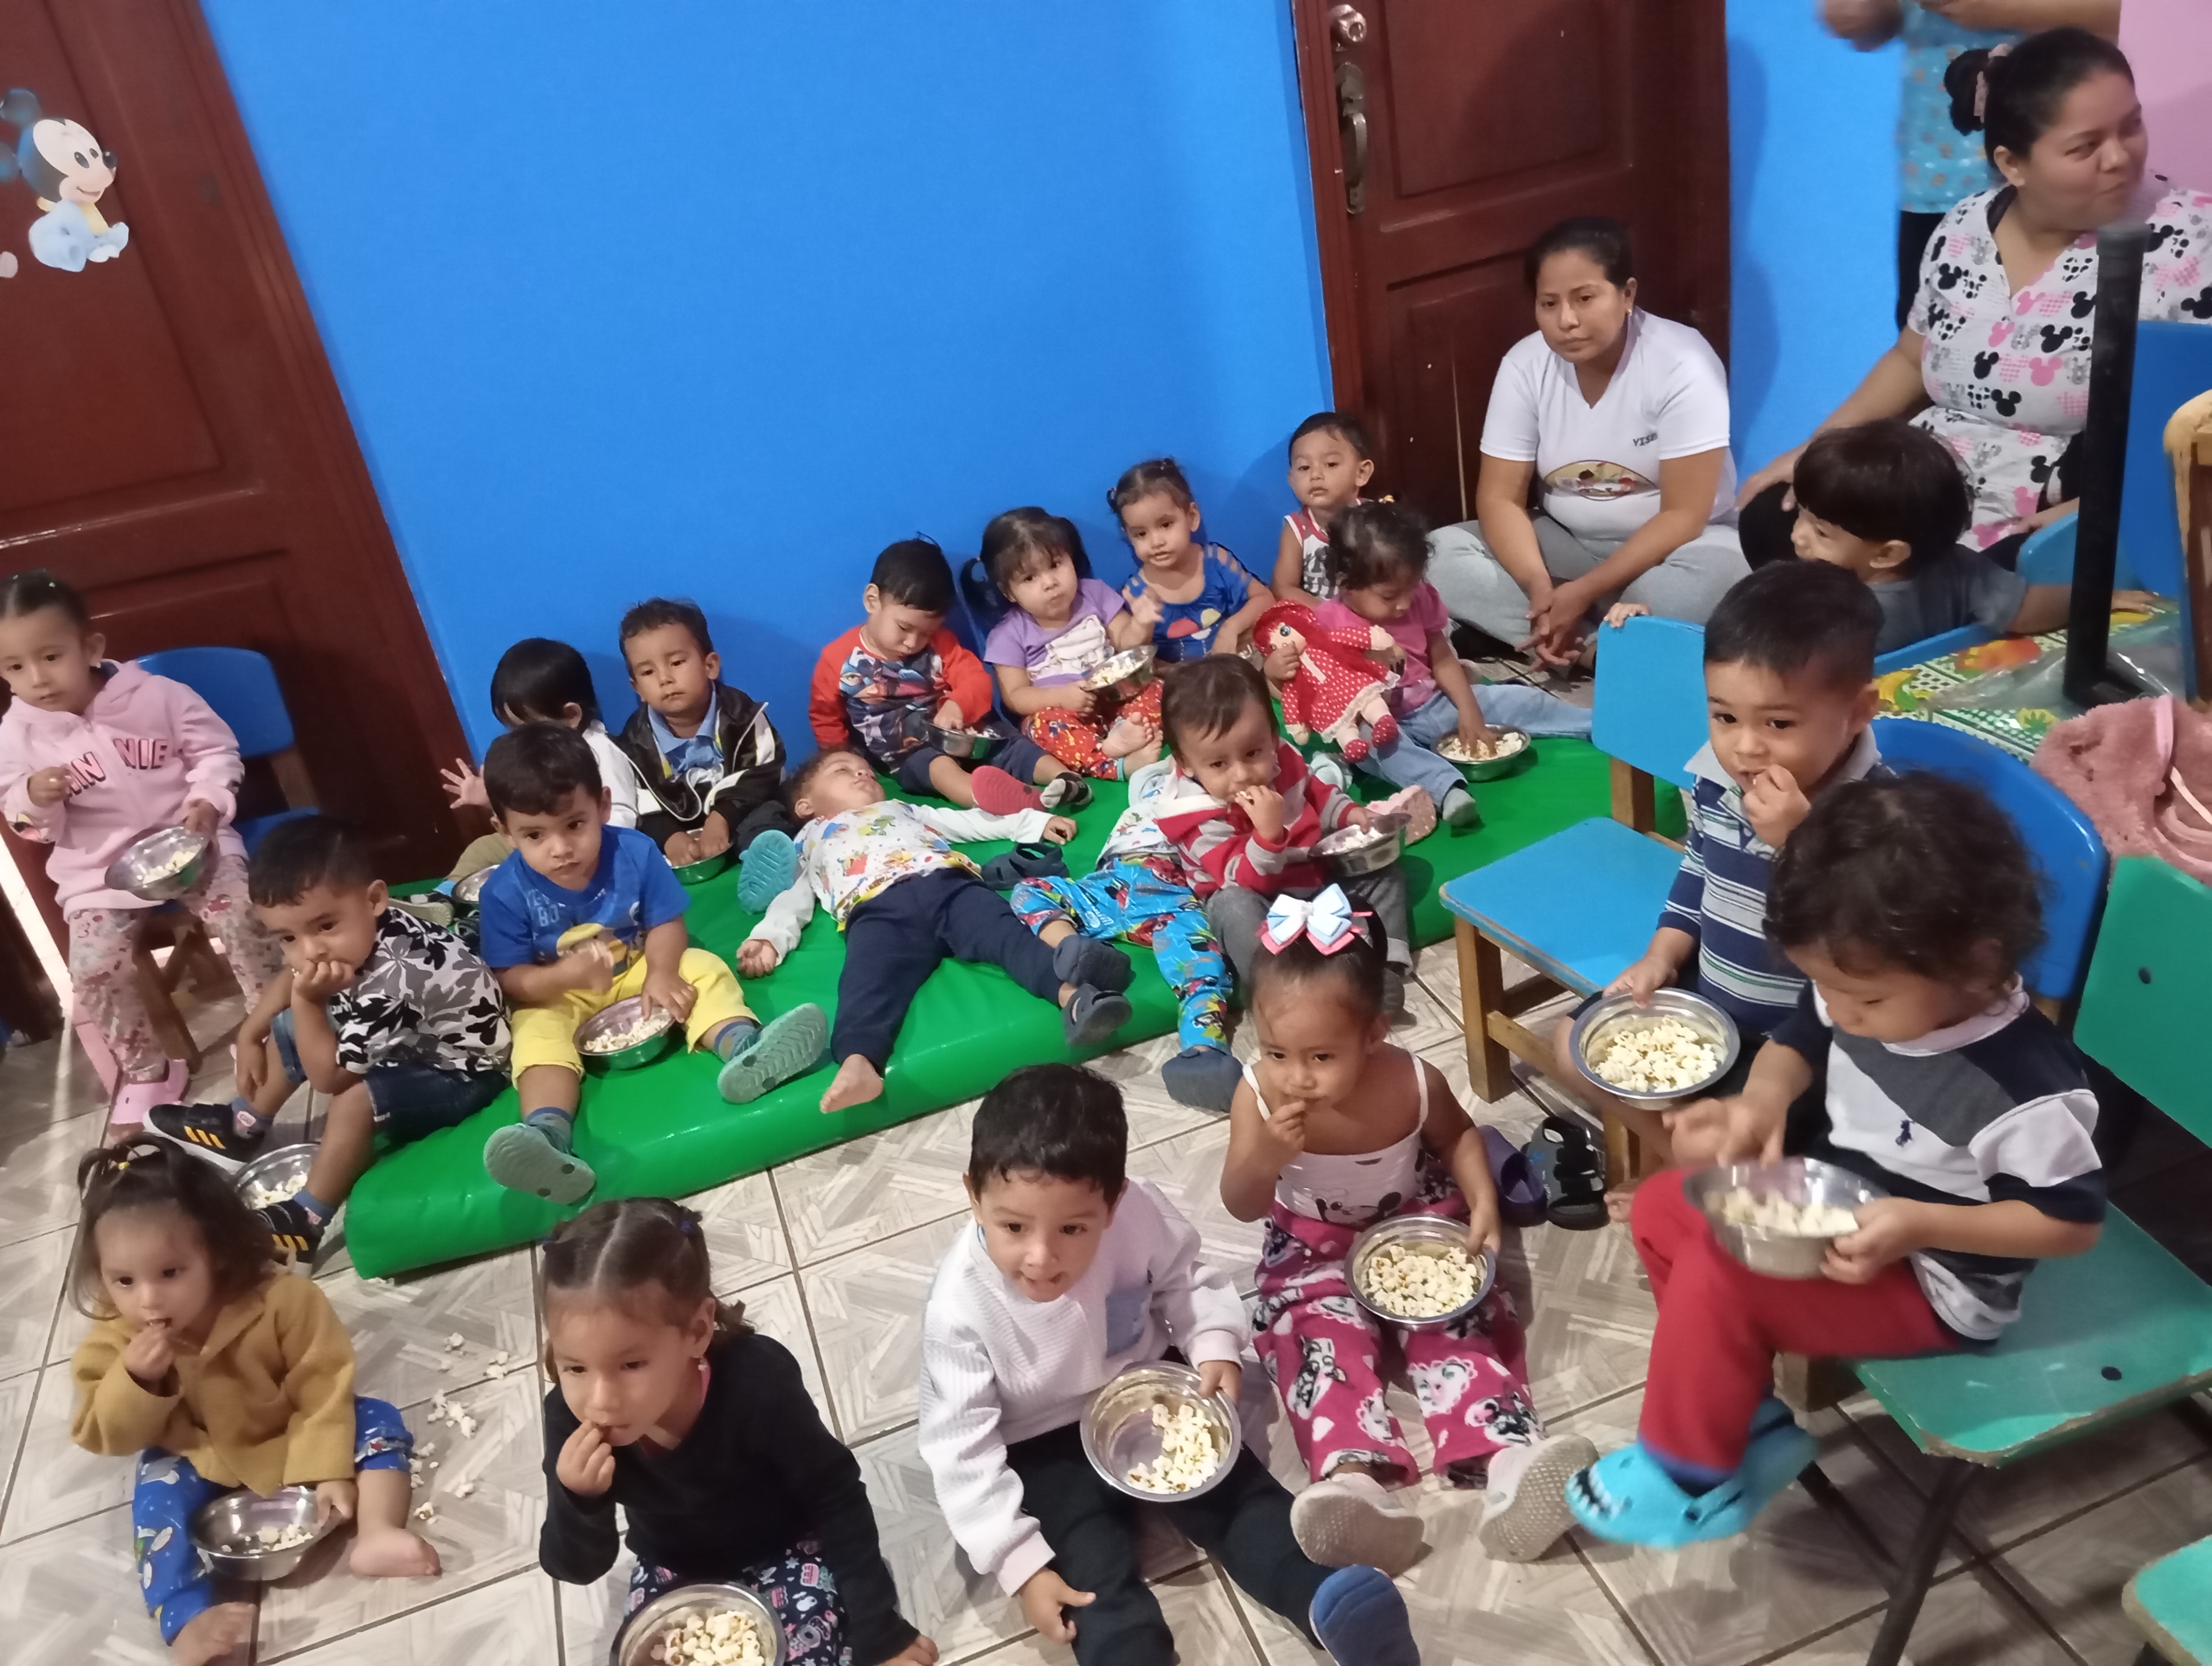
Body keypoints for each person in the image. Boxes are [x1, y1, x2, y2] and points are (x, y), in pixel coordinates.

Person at [1565, 773, 2105, 1546]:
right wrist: (1760, 1103)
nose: (1844, 1012)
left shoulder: (2027, 1092)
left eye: (1868, 1001)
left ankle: (1689, 1475)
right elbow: (1803, 1036)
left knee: (1722, 1276)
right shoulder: (1865, 982)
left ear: (1978, 964)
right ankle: (1746, 1420)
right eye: (1827, 986)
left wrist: (1917, 1224)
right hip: (1840, 1210)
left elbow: (2070, 1225)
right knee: (1661, 1207)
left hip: (1937, 1282)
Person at [917, 1063, 1421, 1666]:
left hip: (1148, 1391)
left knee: (1238, 1495)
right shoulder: (959, 1309)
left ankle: (1324, 1600)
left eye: (1073, 1228)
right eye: (1013, 1226)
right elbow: (959, 1449)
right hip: (1041, 1442)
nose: (1041, 1257)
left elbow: (1185, 1279)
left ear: (1113, 1202)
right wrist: (1018, 1563)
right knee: (1087, 1566)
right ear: (974, 1197)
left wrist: (1213, 1341)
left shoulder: (1138, 1214)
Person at [1739, 28, 2212, 568]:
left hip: (2067, 498)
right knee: (1773, 517)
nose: (2119, 158)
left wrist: (2102, 508)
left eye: (2131, 126)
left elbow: (2196, 421)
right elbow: (1910, 359)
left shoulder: (2191, 238)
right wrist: (1819, 449)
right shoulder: (1965, 225)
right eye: (2085, 147)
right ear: (2013, 164)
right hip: (1930, 485)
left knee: (2006, 573)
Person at [1218, 894, 1595, 1568]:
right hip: (1310, 1243)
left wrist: (1482, 1201)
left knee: (1460, 1325)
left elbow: (1459, 1139)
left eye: (1321, 1056)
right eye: (1276, 1052)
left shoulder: (1414, 1081)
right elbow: (1241, 1203)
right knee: (1315, 1341)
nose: (1296, 1076)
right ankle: (1354, 1482)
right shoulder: (1257, 1093)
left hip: (1413, 1226)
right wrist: (1265, 1157)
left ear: (1374, 1034)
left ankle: (1509, 1462)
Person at [1555, 563, 1888, 1156]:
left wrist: (1800, 843)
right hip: (1711, 996)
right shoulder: (1717, 777)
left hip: (1804, 1041)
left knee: (1715, 1148)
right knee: (1568, 1044)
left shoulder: (1879, 815)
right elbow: (1698, 872)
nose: (1745, 747)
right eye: (1724, 716)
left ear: (1859, 711)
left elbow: (1869, 945)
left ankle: (1690, 1168)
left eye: (1779, 723)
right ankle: (1682, 1161)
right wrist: (1661, 957)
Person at [69, 1139, 435, 1665]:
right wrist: (135, 1381)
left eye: (170, 1273)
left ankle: (378, 1531)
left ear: (215, 1252)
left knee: (377, 1419)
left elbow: (322, 1383)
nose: (147, 1299)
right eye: (123, 1280)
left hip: (289, 1431)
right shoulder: (115, 1337)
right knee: (156, 1491)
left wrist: (326, 1468)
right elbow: (102, 1433)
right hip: (202, 1455)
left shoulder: (283, 1299)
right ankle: (185, 1615)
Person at [538, 1198, 935, 1666]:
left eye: (631, 1365)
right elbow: (572, 1567)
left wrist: (879, 1627)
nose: (601, 1400)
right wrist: (580, 1499)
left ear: (697, 1330)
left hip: (786, 1548)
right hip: (674, 1566)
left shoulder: (757, 1383)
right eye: (576, 1368)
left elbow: (837, 1495)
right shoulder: (568, 1418)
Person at [474, 723, 827, 1204]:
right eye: (534, 835)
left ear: (603, 805)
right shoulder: (503, 893)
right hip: (560, 994)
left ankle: (747, 1049)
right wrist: (562, 977)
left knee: (702, 967)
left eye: (575, 825)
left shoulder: (635, 852)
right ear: (504, 832)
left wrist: (661, 972)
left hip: (640, 966)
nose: (560, 849)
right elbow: (513, 980)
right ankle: (547, 1134)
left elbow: (666, 924)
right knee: (534, 1032)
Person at [0, 569, 288, 1130]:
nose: (37, 679)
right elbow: (26, 824)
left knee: (243, 914)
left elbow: (216, 752)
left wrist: (208, 801)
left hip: (193, 841)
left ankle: (273, 1031)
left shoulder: (157, 697)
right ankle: (147, 1071)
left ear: (91, 648)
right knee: (93, 970)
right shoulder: (16, 737)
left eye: (51, 657)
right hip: (97, 871)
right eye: (13, 667)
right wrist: (33, 799)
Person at [147, 816, 510, 1255]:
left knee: (355, 1097)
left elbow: (329, 1079)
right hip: (412, 1042)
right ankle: (243, 1124)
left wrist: (307, 1001)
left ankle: (307, 1217)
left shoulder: (395, 980)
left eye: (324, 926)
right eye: (288, 937)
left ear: (374, 899)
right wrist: (250, 1032)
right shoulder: (360, 932)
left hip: (464, 1074)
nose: (310, 950)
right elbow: (297, 972)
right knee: (289, 1025)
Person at [739, 748, 1131, 1116]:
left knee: (1010, 938)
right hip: (876, 912)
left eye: (866, 770)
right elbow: (794, 898)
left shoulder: (901, 809)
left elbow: (971, 823)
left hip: (951, 886)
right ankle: (859, 1063)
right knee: (866, 985)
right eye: (843, 771)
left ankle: (1075, 999)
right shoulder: (809, 841)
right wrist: (769, 938)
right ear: (806, 806)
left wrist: (1035, 823)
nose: (861, 773)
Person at [1426, 217, 1747, 664]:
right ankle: (1592, 645)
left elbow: (1685, 515)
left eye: (1585, 299)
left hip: (1681, 550)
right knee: (1436, 555)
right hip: (1570, 544)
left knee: (1700, 586)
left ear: (1627, 295)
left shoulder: (1683, 362)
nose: (1567, 321)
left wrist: (1584, 592)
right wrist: (1538, 586)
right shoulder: (1524, 365)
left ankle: (1578, 639)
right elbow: (1500, 498)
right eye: (1549, 303)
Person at [1299, 499, 1596, 831]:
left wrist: (1469, 710)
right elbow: (1316, 687)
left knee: (1519, 699)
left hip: (1435, 703)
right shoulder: (1327, 624)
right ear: (1345, 583)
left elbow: (1441, 658)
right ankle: (1446, 790)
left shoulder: (1420, 599)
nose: (1404, 604)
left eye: (1411, 588)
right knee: (1374, 748)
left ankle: (1594, 724)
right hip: (1383, 723)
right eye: (1389, 596)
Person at [1151, 656, 1413, 1013]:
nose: (1242, 774)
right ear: (1186, 764)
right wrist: (1268, 837)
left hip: (1311, 877)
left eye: (1252, 752)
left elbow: (1315, 793)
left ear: (1273, 737)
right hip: (1259, 901)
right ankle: (1281, 995)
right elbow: (1241, 879)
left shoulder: (1281, 758)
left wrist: (1350, 813)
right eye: (1218, 764)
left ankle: (1379, 969)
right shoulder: (1195, 815)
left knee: (1384, 875)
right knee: (1233, 909)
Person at [1789, 419, 2156, 653]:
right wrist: (2095, 598)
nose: (1797, 536)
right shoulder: (1961, 567)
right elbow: (2025, 610)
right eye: (1802, 516)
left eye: (1820, 532)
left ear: (1887, 554)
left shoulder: (1827, 606)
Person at [1009, 757, 1240, 1112]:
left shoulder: (1220, 805)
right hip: (1113, 881)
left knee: (1203, 965)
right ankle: (1076, 951)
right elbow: (1148, 775)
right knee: (1029, 891)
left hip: (1174, 892)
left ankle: (1203, 1052)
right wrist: (1164, 767)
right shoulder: (1139, 807)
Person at [812, 537, 1090, 815]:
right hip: (908, 752)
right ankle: (990, 799)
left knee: (1009, 744)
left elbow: (976, 680)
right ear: (873, 601)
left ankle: (1066, 780)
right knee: (937, 768)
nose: (913, 642)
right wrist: (843, 760)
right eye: (904, 628)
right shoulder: (838, 660)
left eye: (926, 633)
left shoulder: (942, 645)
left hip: (966, 731)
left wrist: (958, 706)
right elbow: (825, 717)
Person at [610, 598, 799, 894]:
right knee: (640, 844)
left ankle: (763, 867)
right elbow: (640, 800)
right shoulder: (634, 743)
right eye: (648, 672)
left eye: (676, 662)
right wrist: (670, 837)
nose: (665, 679)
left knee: (767, 818)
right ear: (637, 688)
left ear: (709, 665)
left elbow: (765, 771)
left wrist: (721, 819)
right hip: (679, 829)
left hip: (741, 814)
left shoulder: (744, 715)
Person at [980, 507, 1162, 779]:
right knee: (1040, 726)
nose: (1050, 582)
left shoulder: (1095, 593)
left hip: (1116, 702)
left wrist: (1141, 624)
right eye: (1030, 578)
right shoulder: (1008, 634)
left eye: (1055, 565)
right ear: (1010, 592)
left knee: (1157, 688)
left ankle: (1127, 732)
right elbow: (1015, 697)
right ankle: (1112, 763)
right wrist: (1061, 697)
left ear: (1071, 558)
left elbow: (1127, 644)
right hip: (1065, 715)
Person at [441, 636, 644, 829]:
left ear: (571, 716)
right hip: (546, 839)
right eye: (512, 728)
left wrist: (580, 840)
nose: (521, 738)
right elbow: (531, 812)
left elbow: (622, 816)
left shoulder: (600, 752)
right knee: (480, 848)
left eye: (528, 728)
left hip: (589, 846)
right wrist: (491, 801)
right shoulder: (542, 757)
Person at [1109, 458, 1274, 661]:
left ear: (1192, 517)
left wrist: (1231, 628)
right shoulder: (1136, 593)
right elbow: (1132, 656)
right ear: (1128, 535)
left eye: (1166, 525)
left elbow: (1265, 598)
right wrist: (1141, 626)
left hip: (1234, 663)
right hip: (1180, 678)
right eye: (1141, 534)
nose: (1156, 542)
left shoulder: (1215, 561)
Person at [1273, 412, 1377, 608]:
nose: (1316, 475)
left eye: (1331, 464)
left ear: (1361, 473)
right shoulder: (1297, 528)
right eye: (1304, 467)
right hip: (1319, 617)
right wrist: (1329, 616)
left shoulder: (1376, 520)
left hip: (1371, 615)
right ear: (1292, 480)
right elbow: (1283, 587)